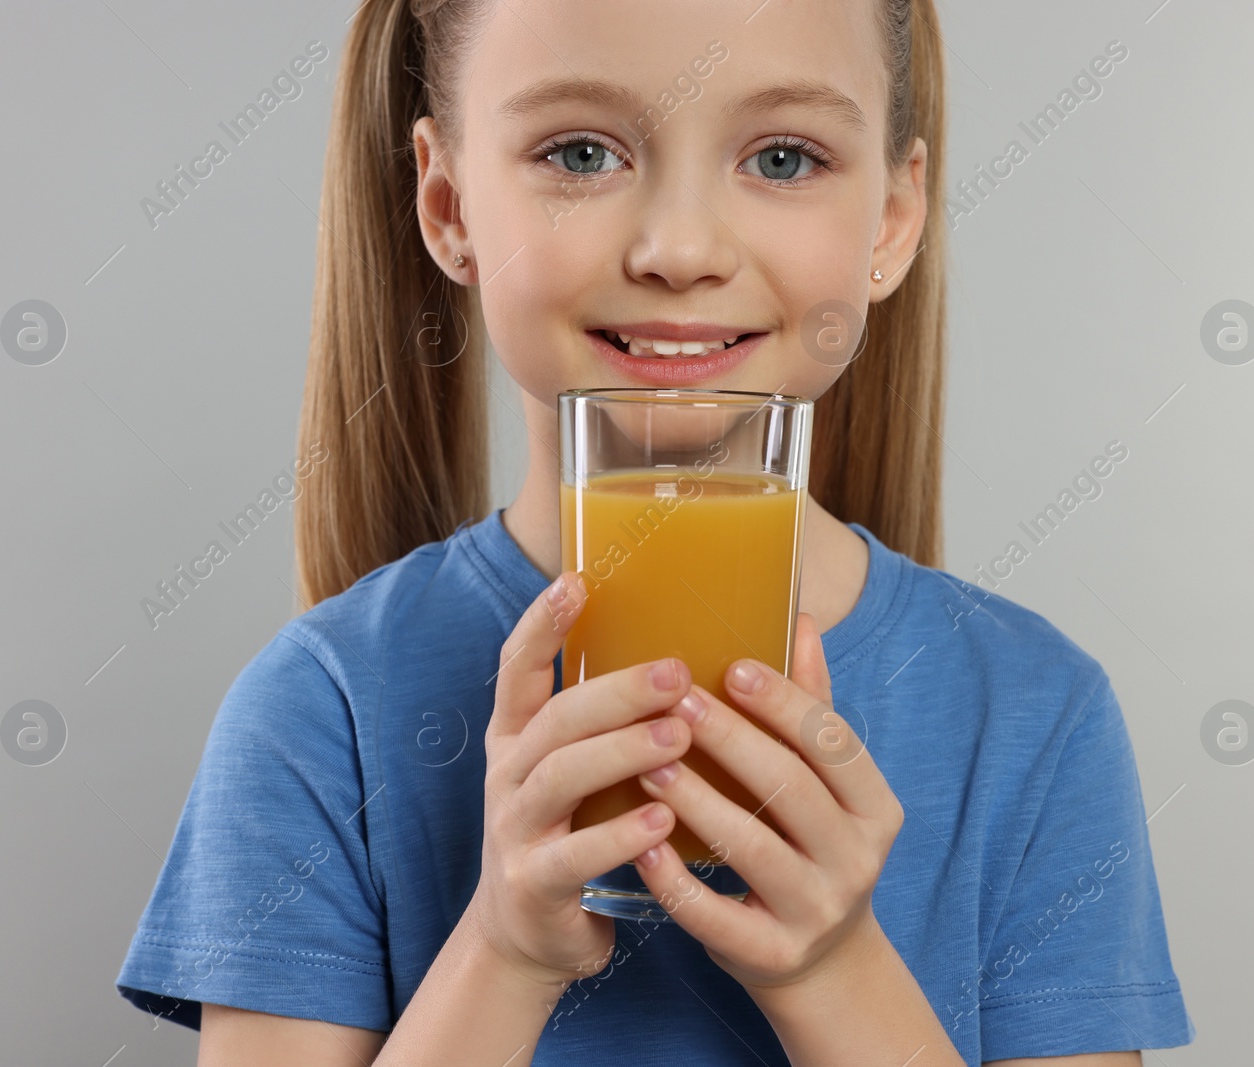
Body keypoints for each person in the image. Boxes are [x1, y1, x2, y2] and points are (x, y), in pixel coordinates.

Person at [115, 0, 1196, 1063]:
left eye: (782, 158)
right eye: (579, 152)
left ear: (891, 222)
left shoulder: (1037, 715)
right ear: (447, 207)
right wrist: (500, 948)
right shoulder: (320, 709)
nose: (679, 249)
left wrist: (832, 970)